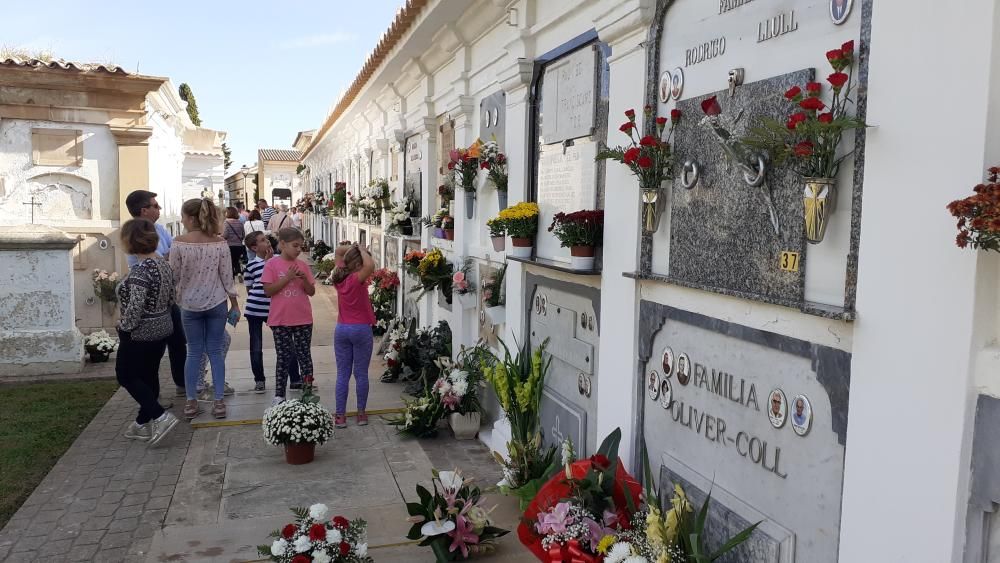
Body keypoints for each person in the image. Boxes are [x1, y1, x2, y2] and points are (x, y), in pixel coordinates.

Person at [170, 198, 240, 420]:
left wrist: (176, 297)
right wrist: (235, 304)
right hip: (217, 302)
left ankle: (191, 402)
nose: (181, 220)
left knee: (193, 352)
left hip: (189, 305)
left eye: (182, 216)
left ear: (190, 218)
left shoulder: (179, 243)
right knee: (216, 352)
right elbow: (227, 276)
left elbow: (174, 276)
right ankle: (218, 402)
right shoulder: (219, 243)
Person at [116, 218, 179, 446]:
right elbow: (172, 297)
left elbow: (136, 305)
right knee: (148, 375)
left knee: (126, 375)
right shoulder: (164, 264)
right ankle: (142, 424)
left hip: (140, 331)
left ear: (129, 241)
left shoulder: (141, 270)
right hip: (163, 327)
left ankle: (160, 416)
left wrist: (124, 327)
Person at [124, 190, 187, 399]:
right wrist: (125, 327)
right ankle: (152, 401)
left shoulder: (160, 228)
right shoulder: (135, 232)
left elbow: (172, 254)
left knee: (178, 341)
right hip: (149, 304)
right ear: (144, 210)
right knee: (151, 355)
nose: (159, 209)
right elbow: (161, 260)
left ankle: (181, 384)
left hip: (167, 299)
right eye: (155, 206)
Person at [262, 228, 316, 405]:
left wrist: (303, 280)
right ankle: (279, 394)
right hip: (280, 320)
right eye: (295, 245)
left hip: (303, 319)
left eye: (301, 246)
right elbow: (268, 291)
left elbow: (311, 291)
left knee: (304, 355)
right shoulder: (272, 265)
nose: (299, 249)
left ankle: (307, 391)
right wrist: (288, 278)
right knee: (283, 356)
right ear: (283, 244)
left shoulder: (303, 265)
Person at [331, 244, 376, 428]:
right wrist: (362, 251)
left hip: (341, 329)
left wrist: (353, 248)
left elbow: (338, 252)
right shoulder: (357, 279)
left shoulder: (338, 277)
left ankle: (340, 416)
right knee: (361, 374)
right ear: (358, 265)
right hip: (360, 330)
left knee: (342, 374)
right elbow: (370, 266)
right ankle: (361, 414)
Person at [223, 207, 246, 279]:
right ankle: (239, 272)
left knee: (230, 262)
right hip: (239, 246)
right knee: (236, 260)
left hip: (229, 245)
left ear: (228, 213)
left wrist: (220, 236)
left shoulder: (226, 222)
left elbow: (225, 235)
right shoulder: (239, 222)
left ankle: (232, 277)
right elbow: (243, 235)